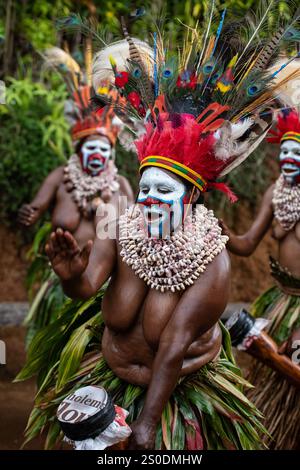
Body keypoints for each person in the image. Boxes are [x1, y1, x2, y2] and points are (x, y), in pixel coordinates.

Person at [17, 11, 299, 449]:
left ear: (189, 197)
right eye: (144, 185)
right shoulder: (117, 221)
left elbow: (173, 344)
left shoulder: (212, 259)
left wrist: (148, 422)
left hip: (172, 398)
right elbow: (88, 286)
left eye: (162, 190)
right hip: (109, 378)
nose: (147, 197)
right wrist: (72, 274)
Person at [17, 47, 134, 342]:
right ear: (79, 151)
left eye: (103, 149)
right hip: (65, 282)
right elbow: (36, 208)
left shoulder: (119, 186)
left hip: (107, 288)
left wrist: (103, 208)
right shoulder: (61, 178)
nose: (96, 154)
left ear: (111, 153)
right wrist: (29, 214)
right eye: (90, 149)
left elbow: (133, 235)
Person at [220, 107, 300, 449]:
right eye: (285, 152)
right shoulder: (274, 193)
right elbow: (248, 243)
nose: (290, 158)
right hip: (283, 300)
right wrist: (224, 233)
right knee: (277, 373)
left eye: (297, 153)